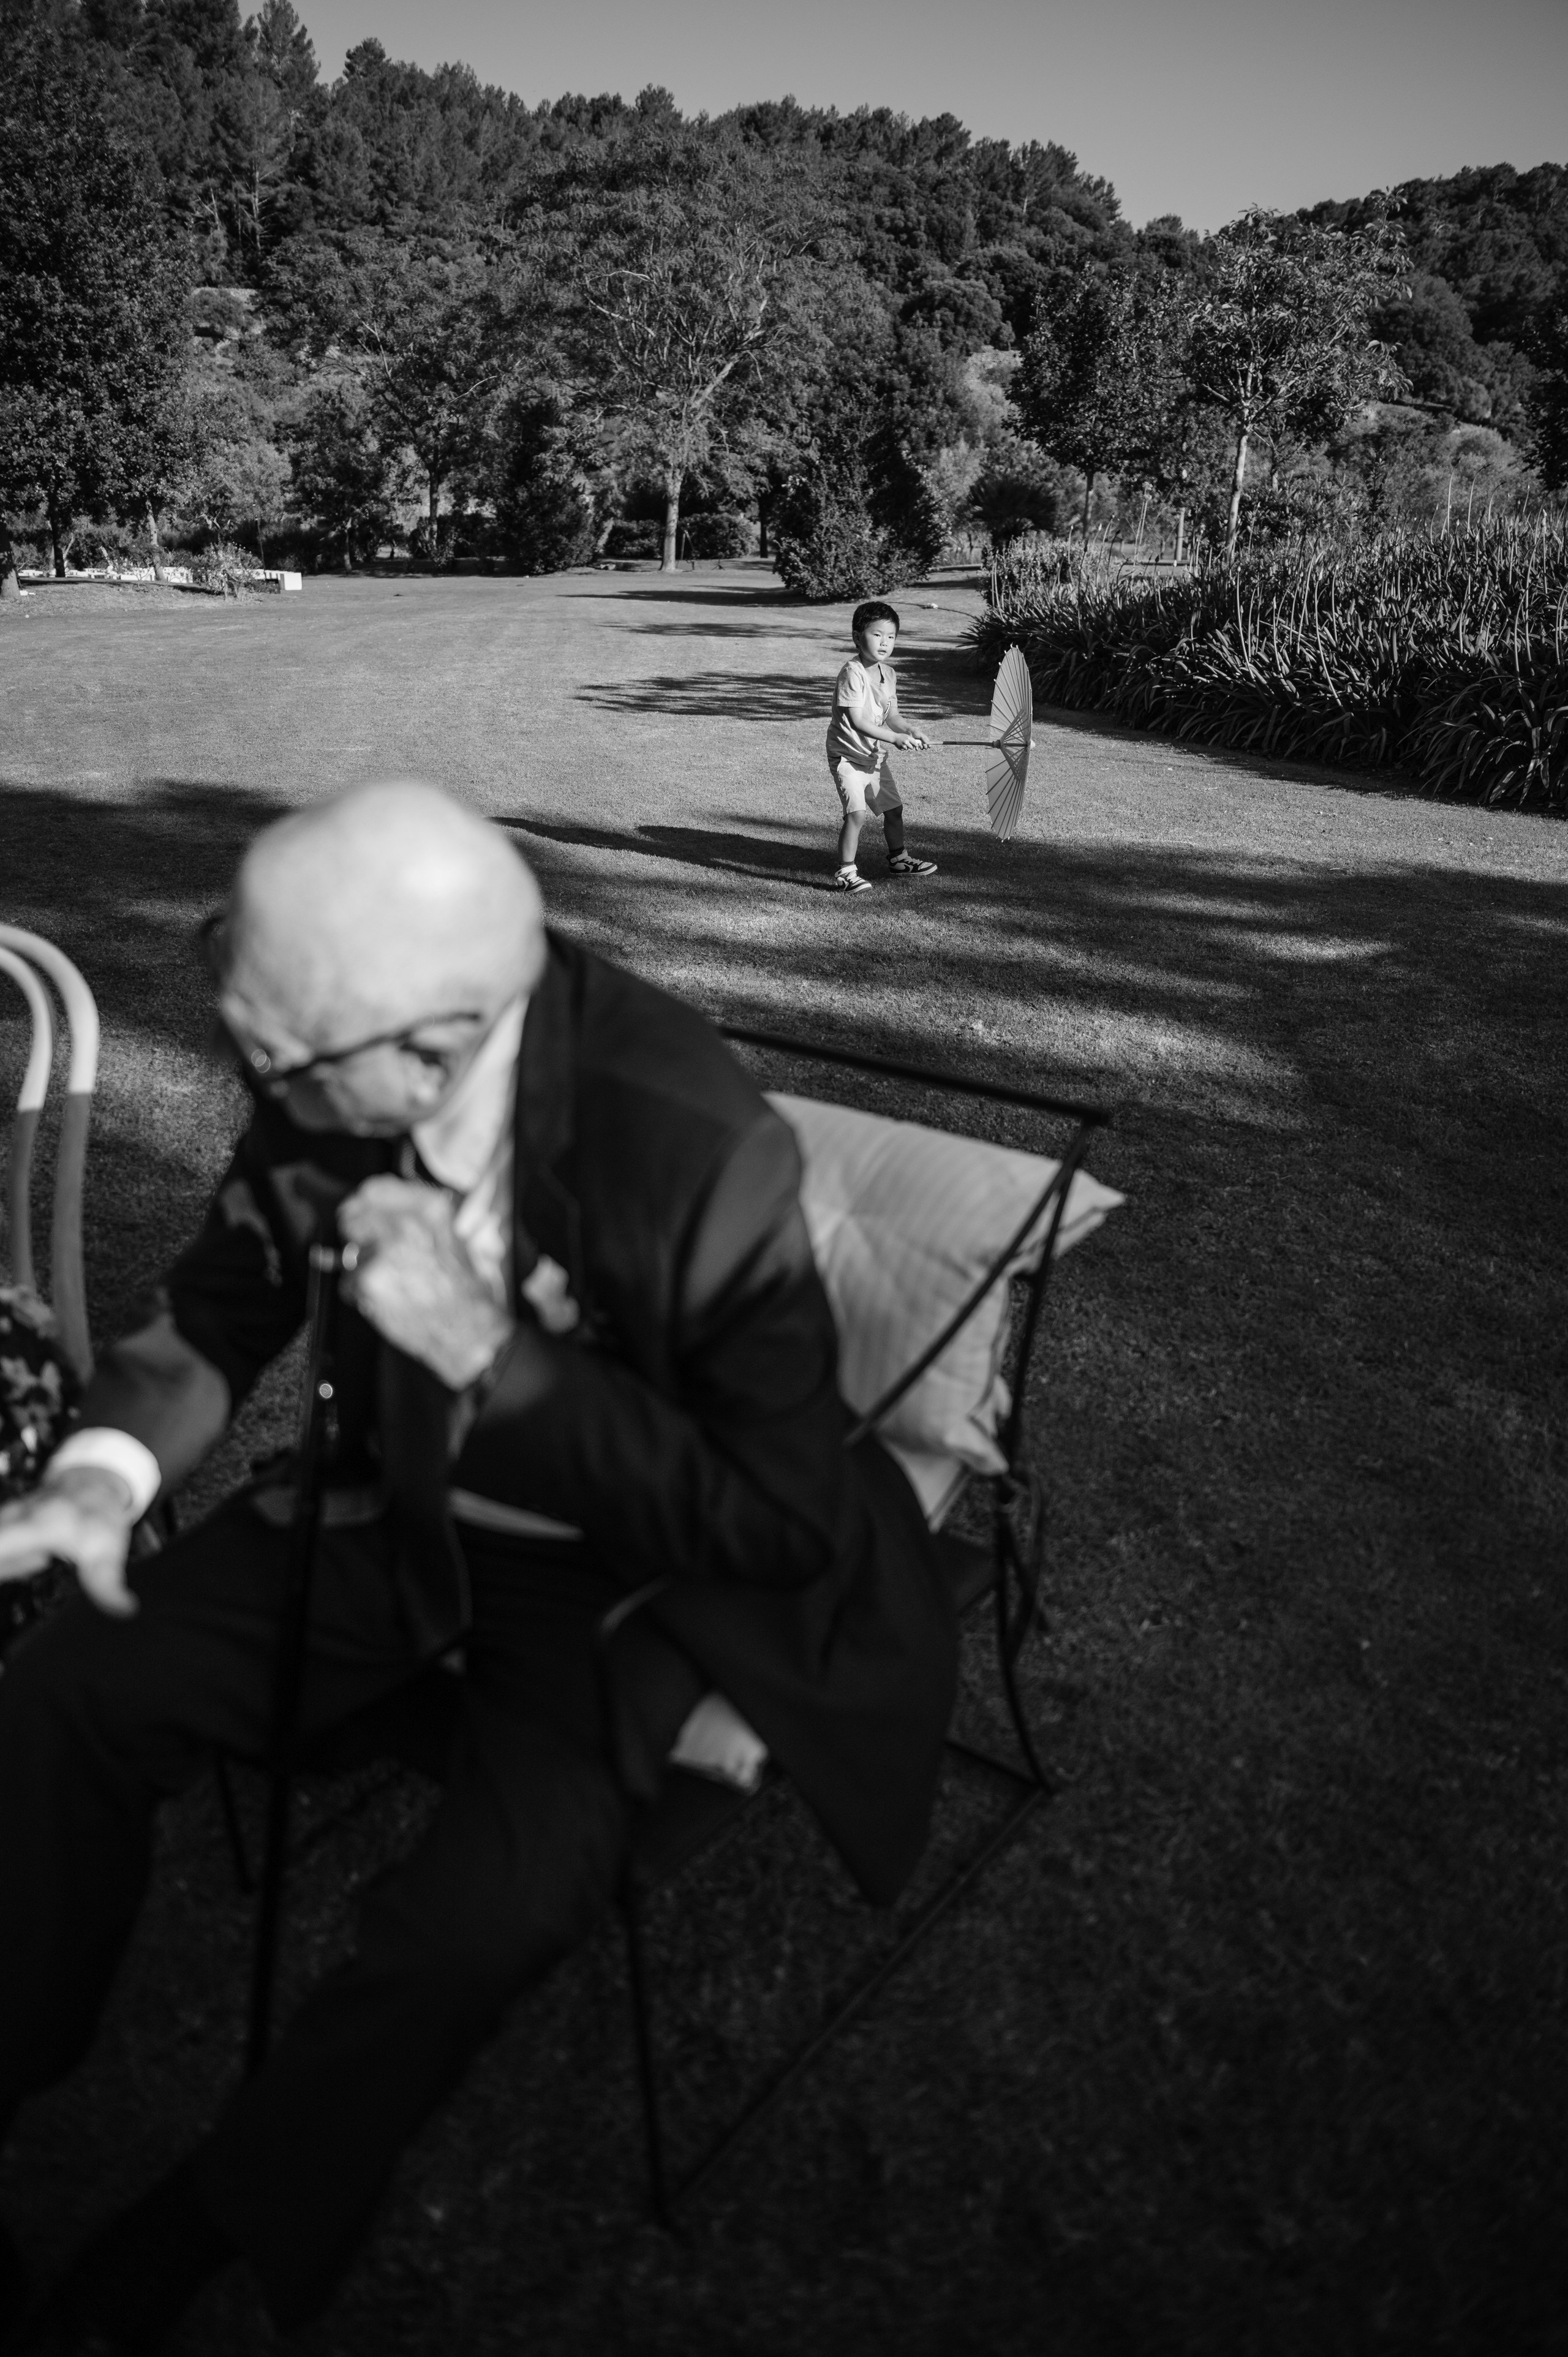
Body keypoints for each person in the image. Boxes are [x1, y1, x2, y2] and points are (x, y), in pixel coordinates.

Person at [0, 782, 957, 2353]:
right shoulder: (336, 1053)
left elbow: (775, 1516)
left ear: (431, 1048)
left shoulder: (689, 1142)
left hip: (628, 1580)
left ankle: (217, 2217)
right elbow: (208, 1321)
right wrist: (102, 1478)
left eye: (269, 1064)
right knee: (69, 1684)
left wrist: (494, 1358)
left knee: (470, 1926)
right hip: (398, 1510)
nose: (257, 1094)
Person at [826, 600, 939, 895]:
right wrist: (894, 738)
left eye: (891, 637)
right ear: (856, 636)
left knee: (894, 809)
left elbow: (892, 715)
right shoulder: (852, 673)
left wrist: (910, 729)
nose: (885, 643)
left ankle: (899, 860)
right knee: (857, 814)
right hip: (848, 757)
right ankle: (846, 872)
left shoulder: (888, 674)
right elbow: (857, 721)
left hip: (874, 757)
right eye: (877, 635)